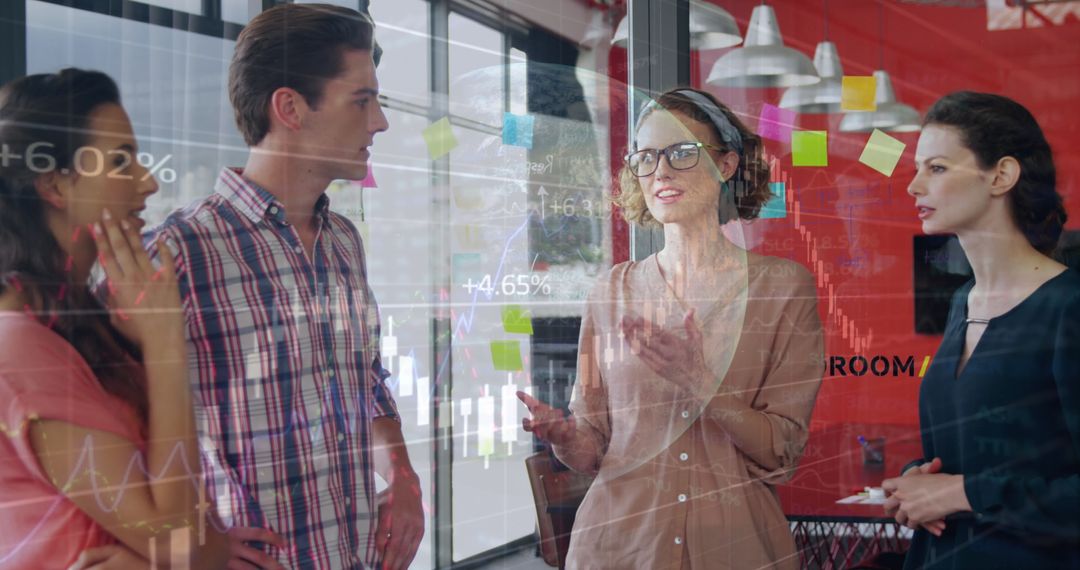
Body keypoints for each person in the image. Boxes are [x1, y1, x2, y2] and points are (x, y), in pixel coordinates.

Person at [137, 4, 423, 569]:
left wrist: (402, 475)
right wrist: (183, 542)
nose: (379, 123)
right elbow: (110, 430)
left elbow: (365, 377)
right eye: (362, 100)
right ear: (289, 107)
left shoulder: (344, 241)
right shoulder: (177, 252)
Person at [517, 88, 825, 569]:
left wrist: (699, 381)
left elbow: (781, 453)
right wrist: (563, 436)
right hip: (619, 551)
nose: (660, 171)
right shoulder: (610, 292)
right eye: (646, 158)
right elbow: (592, 448)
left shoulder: (783, 288)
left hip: (736, 551)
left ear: (726, 164)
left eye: (682, 152)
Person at [0, 69, 283, 569]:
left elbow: (197, 540)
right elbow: (183, 547)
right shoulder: (21, 346)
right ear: (55, 184)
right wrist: (164, 341)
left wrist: (201, 548)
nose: (148, 182)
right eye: (120, 160)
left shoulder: (81, 323)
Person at [884, 91, 1080, 569]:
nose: (913, 186)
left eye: (936, 168)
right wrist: (918, 482)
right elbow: (975, 453)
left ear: (1002, 175)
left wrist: (962, 493)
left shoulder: (1068, 307)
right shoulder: (962, 301)